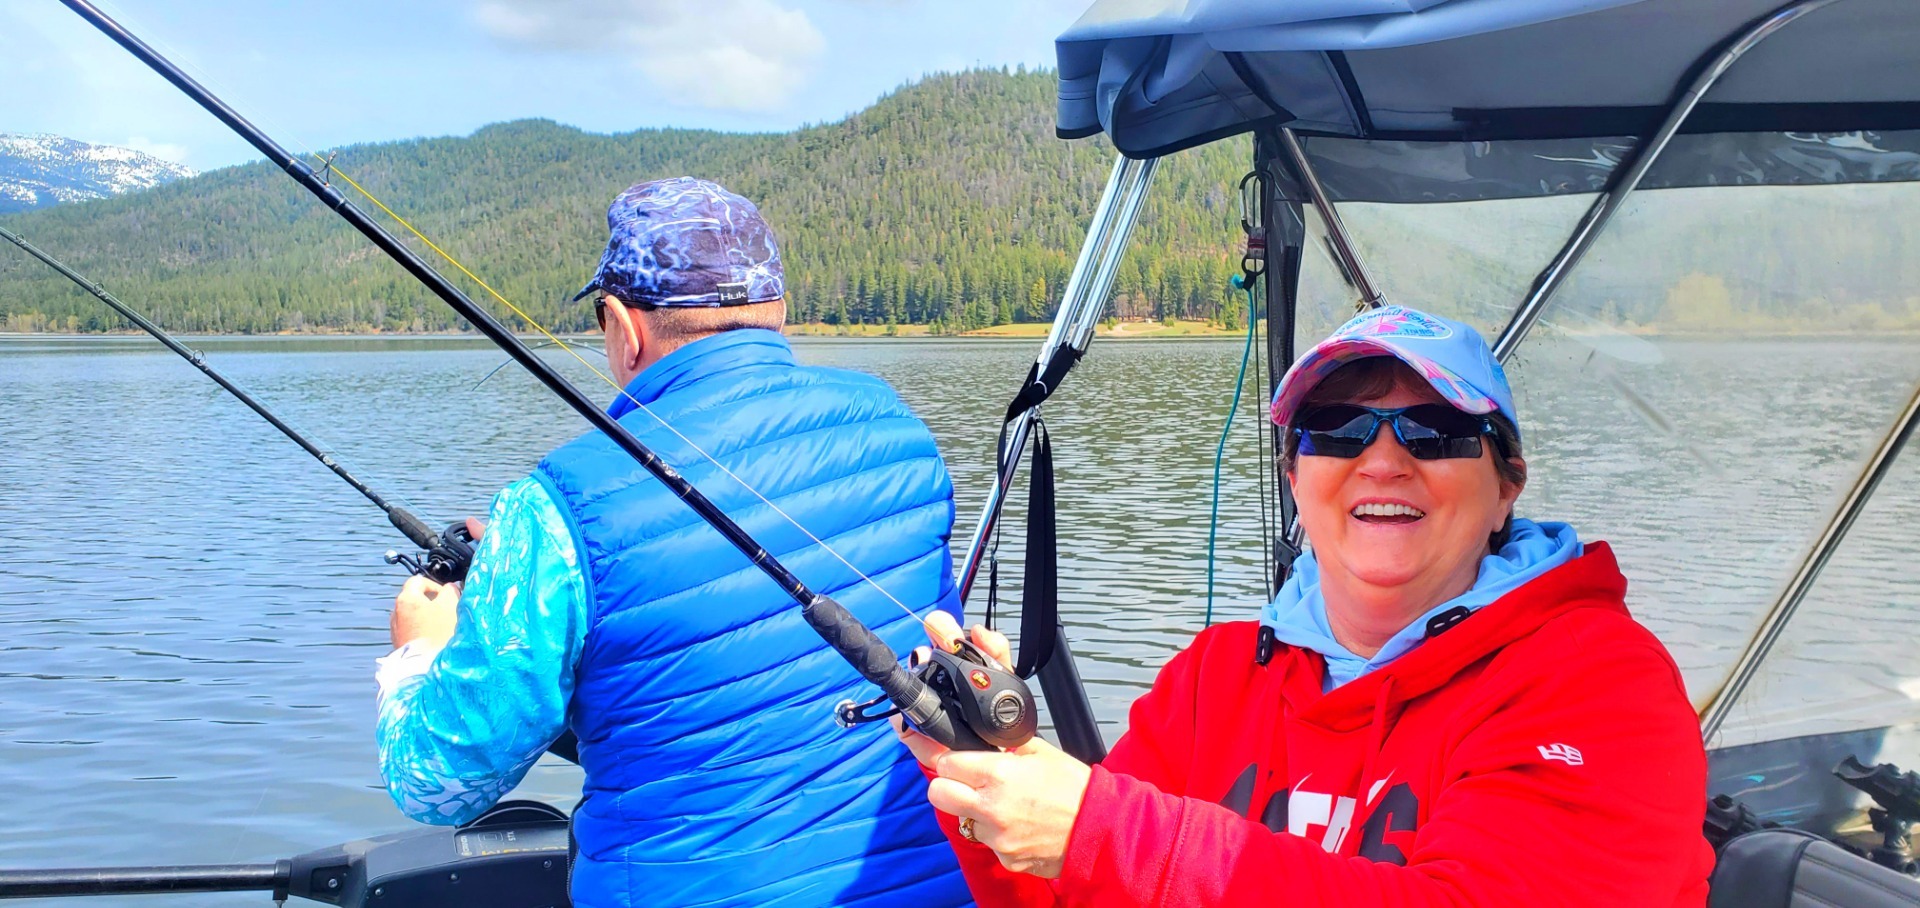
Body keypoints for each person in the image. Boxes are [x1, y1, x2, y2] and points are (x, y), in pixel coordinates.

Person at [896, 305, 1712, 906]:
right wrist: (987, 781)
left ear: (1507, 486)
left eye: (1434, 431)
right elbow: (1092, 887)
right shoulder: (1215, 678)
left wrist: (1100, 829)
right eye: (1338, 430)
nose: (1384, 460)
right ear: (1295, 478)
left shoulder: (1601, 687)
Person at [377, 177, 974, 908]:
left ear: (624, 327)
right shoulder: (897, 432)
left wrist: (422, 646)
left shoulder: (556, 507)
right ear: (776, 311)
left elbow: (436, 784)